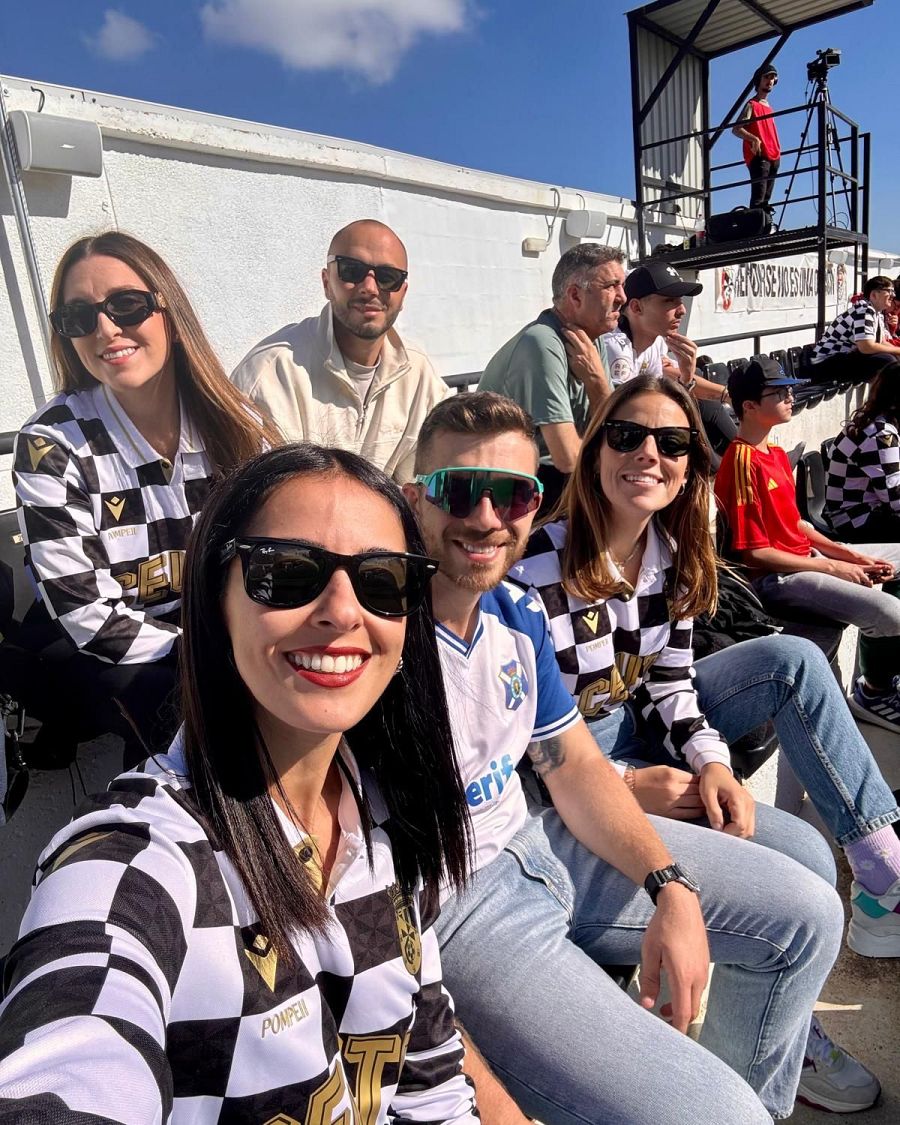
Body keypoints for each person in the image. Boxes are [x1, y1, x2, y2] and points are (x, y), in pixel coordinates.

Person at [0, 444, 480, 1124]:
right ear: (214, 603)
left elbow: (430, 1081)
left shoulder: (387, 810)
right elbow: (72, 1042)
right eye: (286, 573)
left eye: (382, 580)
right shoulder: (139, 859)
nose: (343, 611)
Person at [404, 391, 845, 1125]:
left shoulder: (512, 613)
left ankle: (726, 1079)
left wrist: (671, 883)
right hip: (471, 903)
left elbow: (572, 759)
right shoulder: (383, 632)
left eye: (511, 494)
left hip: (549, 841)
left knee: (808, 914)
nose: (486, 518)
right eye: (460, 490)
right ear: (417, 497)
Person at [511, 375, 900, 1105]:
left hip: (633, 738)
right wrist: (628, 784)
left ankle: (875, 883)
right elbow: (502, 744)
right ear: (595, 451)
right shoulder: (534, 568)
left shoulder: (669, 553)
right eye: (628, 435)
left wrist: (712, 763)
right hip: (562, 783)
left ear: (692, 463)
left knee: (796, 685)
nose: (649, 454)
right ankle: (743, 1089)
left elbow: (672, 684)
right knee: (801, 875)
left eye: (673, 442)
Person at [13, 231, 277, 766]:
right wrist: (211, 658)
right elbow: (88, 616)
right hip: (100, 646)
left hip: (208, 626)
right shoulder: (50, 444)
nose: (106, 329)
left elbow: (272, 552)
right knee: (174, 705)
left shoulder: (239, 426)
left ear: (169, 313)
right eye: (78, 317)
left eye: (126, 305)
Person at [716, 356, 900, 735]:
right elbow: (755, 553)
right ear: (749, 406)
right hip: (775, 580)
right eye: (778, 392)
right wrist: (837, 569)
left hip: (806, 559)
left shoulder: (775, 453)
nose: (790, 395)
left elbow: (796, 523)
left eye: (789, 388)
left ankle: (876, 684)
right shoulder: (740, 461)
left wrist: (850, 554)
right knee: (891, 615)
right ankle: (874, 690)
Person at [232, 219, 447, 484]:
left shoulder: (419, 376)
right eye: (352, 271)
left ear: (402, 293)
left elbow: (421, 489)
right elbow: (262, 505)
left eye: (388, 277)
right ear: (326, 281)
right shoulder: (270, 375)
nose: (370, 288)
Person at [478, 243, 623, 509]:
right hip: (505, 488)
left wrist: (597, 383)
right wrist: (619, 460)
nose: (622, 296)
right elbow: (566, 458)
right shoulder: (542, 342)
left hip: (545, 479)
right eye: (611, 286)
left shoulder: (593, 339)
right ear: (575, 296)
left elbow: (615, 430)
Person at [602, 262, 738, 457]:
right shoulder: (615, 347)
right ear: (636, 307)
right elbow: (633, 417)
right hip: (620, 445)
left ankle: (752, 462)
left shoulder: (655, 341)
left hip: (640, 433)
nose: (682, 310)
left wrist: (722, 392)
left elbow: (665, 384)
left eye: (680, 300)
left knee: (708, 406)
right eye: (669, 301)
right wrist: (687, 379)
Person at [825, 367, 900, 542]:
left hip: (873, 510)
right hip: (855, 519)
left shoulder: (881, 422)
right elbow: (895, 498)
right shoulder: (880, 434)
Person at [810, 275, 900, 383]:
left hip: (841, 359)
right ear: (874, 295)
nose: (893, 295)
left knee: (892, 361)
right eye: (889, 291)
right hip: (825, 363)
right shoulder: (864, 311)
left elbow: (882, 342)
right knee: (887, 361)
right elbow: (866, 347)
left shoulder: (875, 312)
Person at [732, 64, 781, 213]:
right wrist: (754, 139)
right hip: (760, 156)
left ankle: (764, 225)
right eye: (766, 77)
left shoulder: (769, 107)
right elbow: (736, 129)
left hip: (774, 155)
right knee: (758, 199)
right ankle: (756, 227)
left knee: (766, 199)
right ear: (758, 80)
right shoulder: (752, 105)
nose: (770, 81)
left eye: (772, 78)